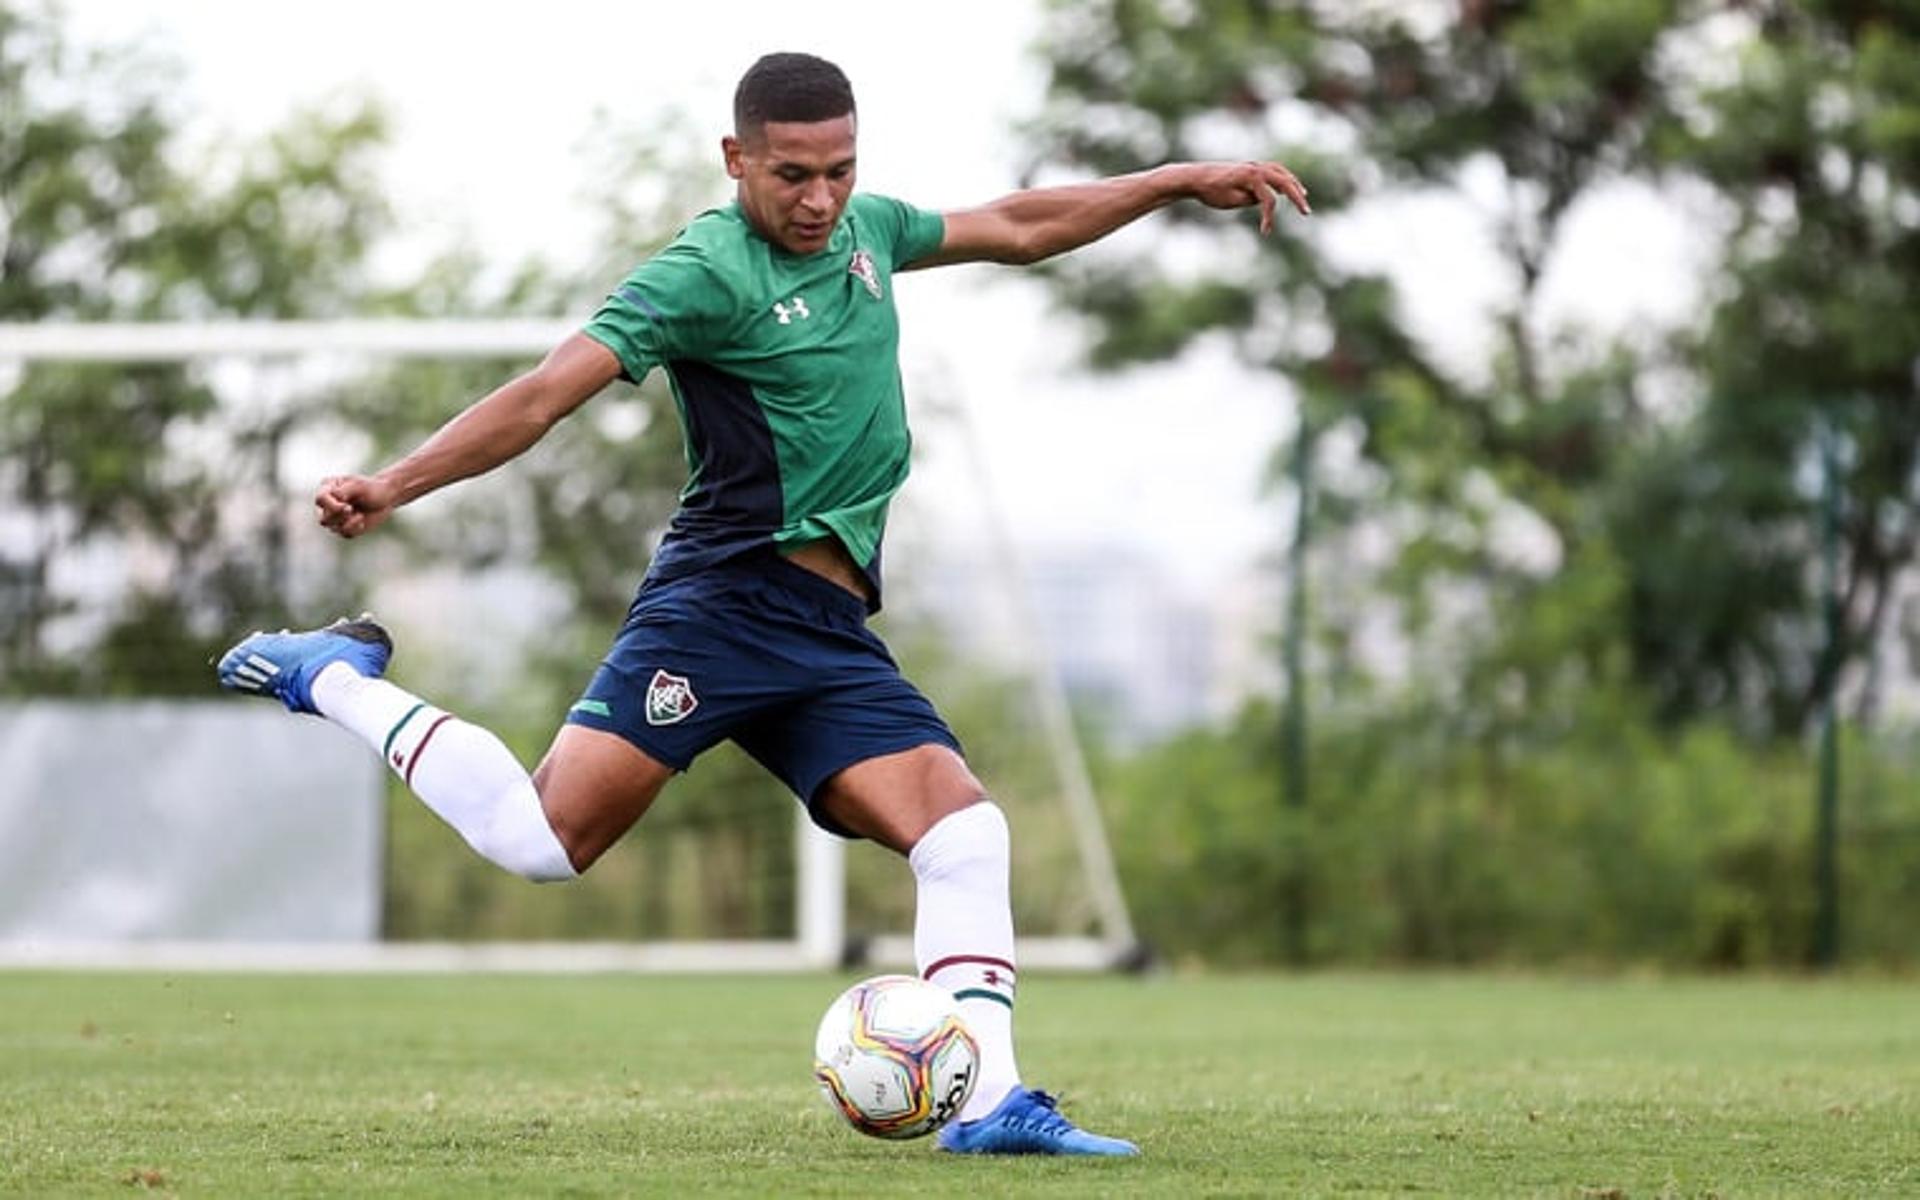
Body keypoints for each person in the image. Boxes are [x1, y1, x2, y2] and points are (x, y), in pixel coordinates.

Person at [217, 51, 1308, 1156]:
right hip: (722, 606)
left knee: (966, 832)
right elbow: (548, 393)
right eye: (792, 174)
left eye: (839, 170)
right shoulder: (705, 271)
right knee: (541, 839)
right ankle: (335, 677)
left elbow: (1020, 224)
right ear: (736, 158)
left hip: (828, 636)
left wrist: (1172, 179)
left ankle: (988, 1106)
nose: (819, 198)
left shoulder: (867, 232)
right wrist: (393, 484)